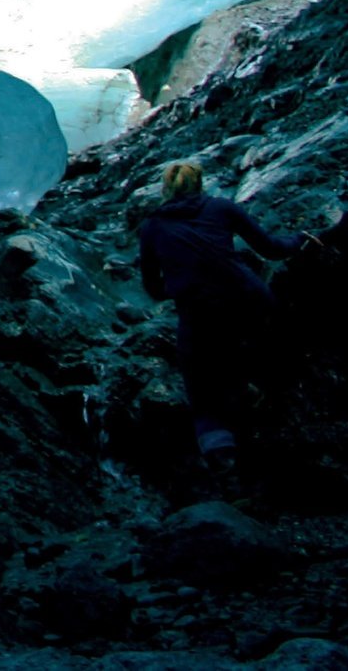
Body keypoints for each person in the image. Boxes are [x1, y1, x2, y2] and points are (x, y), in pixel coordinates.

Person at [136, 161, 321, 474]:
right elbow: (272, 249)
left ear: (165, 190)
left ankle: (224, 462)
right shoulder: (222, 209)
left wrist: (182, 285)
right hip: (251, 300)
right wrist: (300, 239)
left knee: (201, 387)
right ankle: (287, 424)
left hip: (201, 312)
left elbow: (153, 287)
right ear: (200, 185)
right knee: (259, 362)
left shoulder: (152, 227)